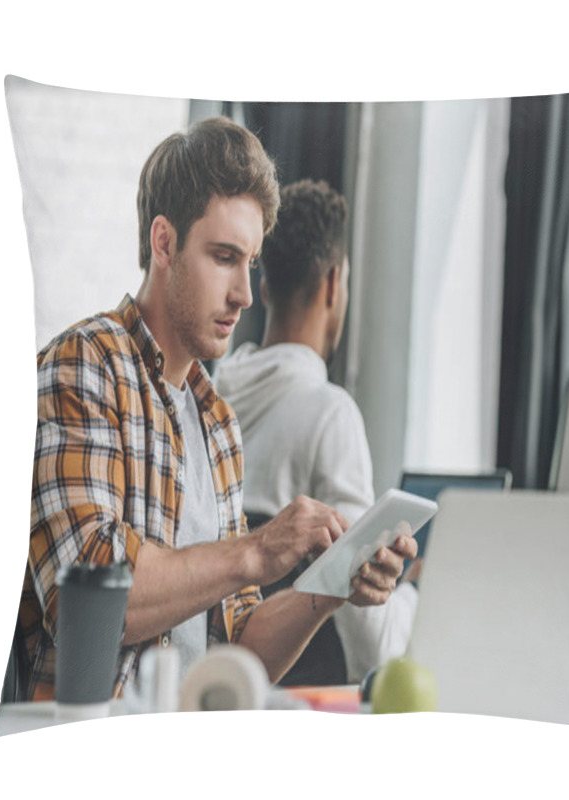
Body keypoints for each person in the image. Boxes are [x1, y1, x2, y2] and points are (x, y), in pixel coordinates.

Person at [16, 118, 416, 701]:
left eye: (250, 262)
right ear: (164, 242)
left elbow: (237, 648)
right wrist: (255, 551)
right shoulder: (84, 366)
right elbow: (87, 600)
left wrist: (333, 585)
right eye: (224, 256)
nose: (245, 294)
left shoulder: (217, 424)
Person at [215, 179, 419, 685]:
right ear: (333, 285)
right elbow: (373, 644)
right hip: (308, 706)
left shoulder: (213, 402)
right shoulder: (330, 415)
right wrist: (415, 593)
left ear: (262, 290)